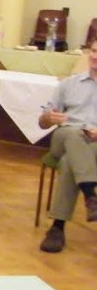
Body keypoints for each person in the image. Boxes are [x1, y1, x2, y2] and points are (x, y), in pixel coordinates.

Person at [37, 39, 97, 252]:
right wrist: (48, 118)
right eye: (93, 51)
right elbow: (42, 122)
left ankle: (57, 227)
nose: (95, 57)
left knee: (69, 161)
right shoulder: (69, 84)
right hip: (64, 137)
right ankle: (90, 194)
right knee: (73, 133)